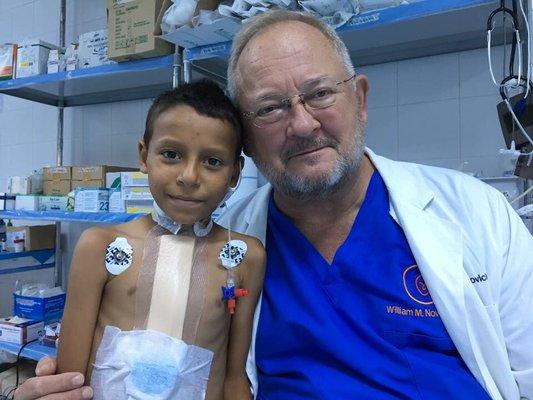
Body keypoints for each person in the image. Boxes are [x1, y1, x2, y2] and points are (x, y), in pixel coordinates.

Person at [15, 9, 533, 400]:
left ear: (361, 100)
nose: (303, 123)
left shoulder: (477, 215)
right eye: (270, 108)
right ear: (245, 143)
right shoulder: (233, 246)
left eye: (321, 94)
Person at [49, 80, 265, 400]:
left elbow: (234, 378)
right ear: (144, 155)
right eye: (171, 154)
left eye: (213, 161)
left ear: (235, 173)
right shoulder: (99, 246)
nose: (189, 177)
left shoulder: (246, 258)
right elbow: (69, 380)